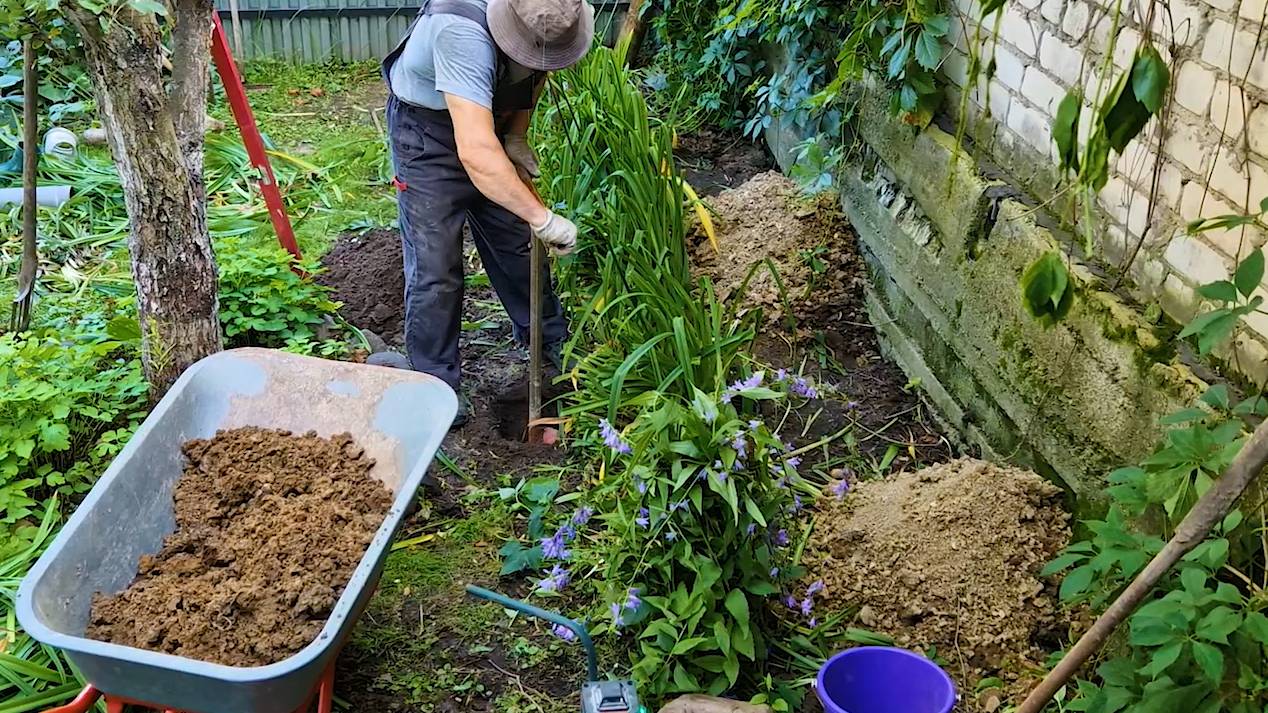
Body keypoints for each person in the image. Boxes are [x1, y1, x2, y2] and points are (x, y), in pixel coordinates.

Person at [377, 0, 593, 427]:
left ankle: (554, 351)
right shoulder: (459, 30)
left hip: (486, 122)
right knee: (437, 265)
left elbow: (535, 69)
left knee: (517, 247)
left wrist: (515, 134)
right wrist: (542, 217)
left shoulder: (550, 13)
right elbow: (476, 152)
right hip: (427, 137)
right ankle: (434, 387)